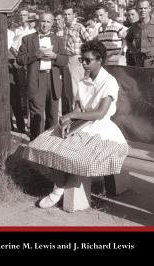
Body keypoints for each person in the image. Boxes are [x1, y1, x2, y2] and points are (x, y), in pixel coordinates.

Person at [23, 40, 128, 209]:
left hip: (100, 128)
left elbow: (100, 113)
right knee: (50, 145)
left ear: (100, 60)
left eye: (88, 60)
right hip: (81, 123)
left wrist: (71, 114)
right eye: (82, 60)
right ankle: (58, 187)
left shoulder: (109, 81)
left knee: (72, 154)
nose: (84, 64)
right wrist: (69, 121)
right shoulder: (83, 81)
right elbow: (78, 107)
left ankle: (58, 191)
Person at [17, 12, 68, 140]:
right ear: (38, 22)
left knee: (52, 114)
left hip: (53, 79)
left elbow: (65, 60)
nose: (45, 25)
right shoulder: (27, 39)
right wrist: (36, 54)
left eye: (48, 22)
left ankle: (51, 143)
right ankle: (36, 144)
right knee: (36, 115)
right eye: (43, 21)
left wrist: (55, 56)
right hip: (36, 79)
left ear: (52, 24)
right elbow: (20, 60)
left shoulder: (58, 40)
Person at [126, 0, 154, 67]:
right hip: (139, 63)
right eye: (140, 8)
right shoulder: (134, 26)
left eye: (145, 8)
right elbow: (128, 40)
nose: (143, 10)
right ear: (137, 10)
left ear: (149, 9)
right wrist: (134, 52)